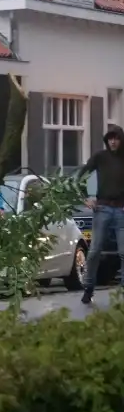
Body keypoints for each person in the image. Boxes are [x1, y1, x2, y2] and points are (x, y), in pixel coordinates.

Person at [76, 124, 124, 304]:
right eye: (110, 138)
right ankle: (88, 288)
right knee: (94, 250)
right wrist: (85, 198)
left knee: (123, 251)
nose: (113, 141)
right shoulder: (100, 157)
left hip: (121, 209)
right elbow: (81, 175)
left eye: (116, 138)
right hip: (102, 208)